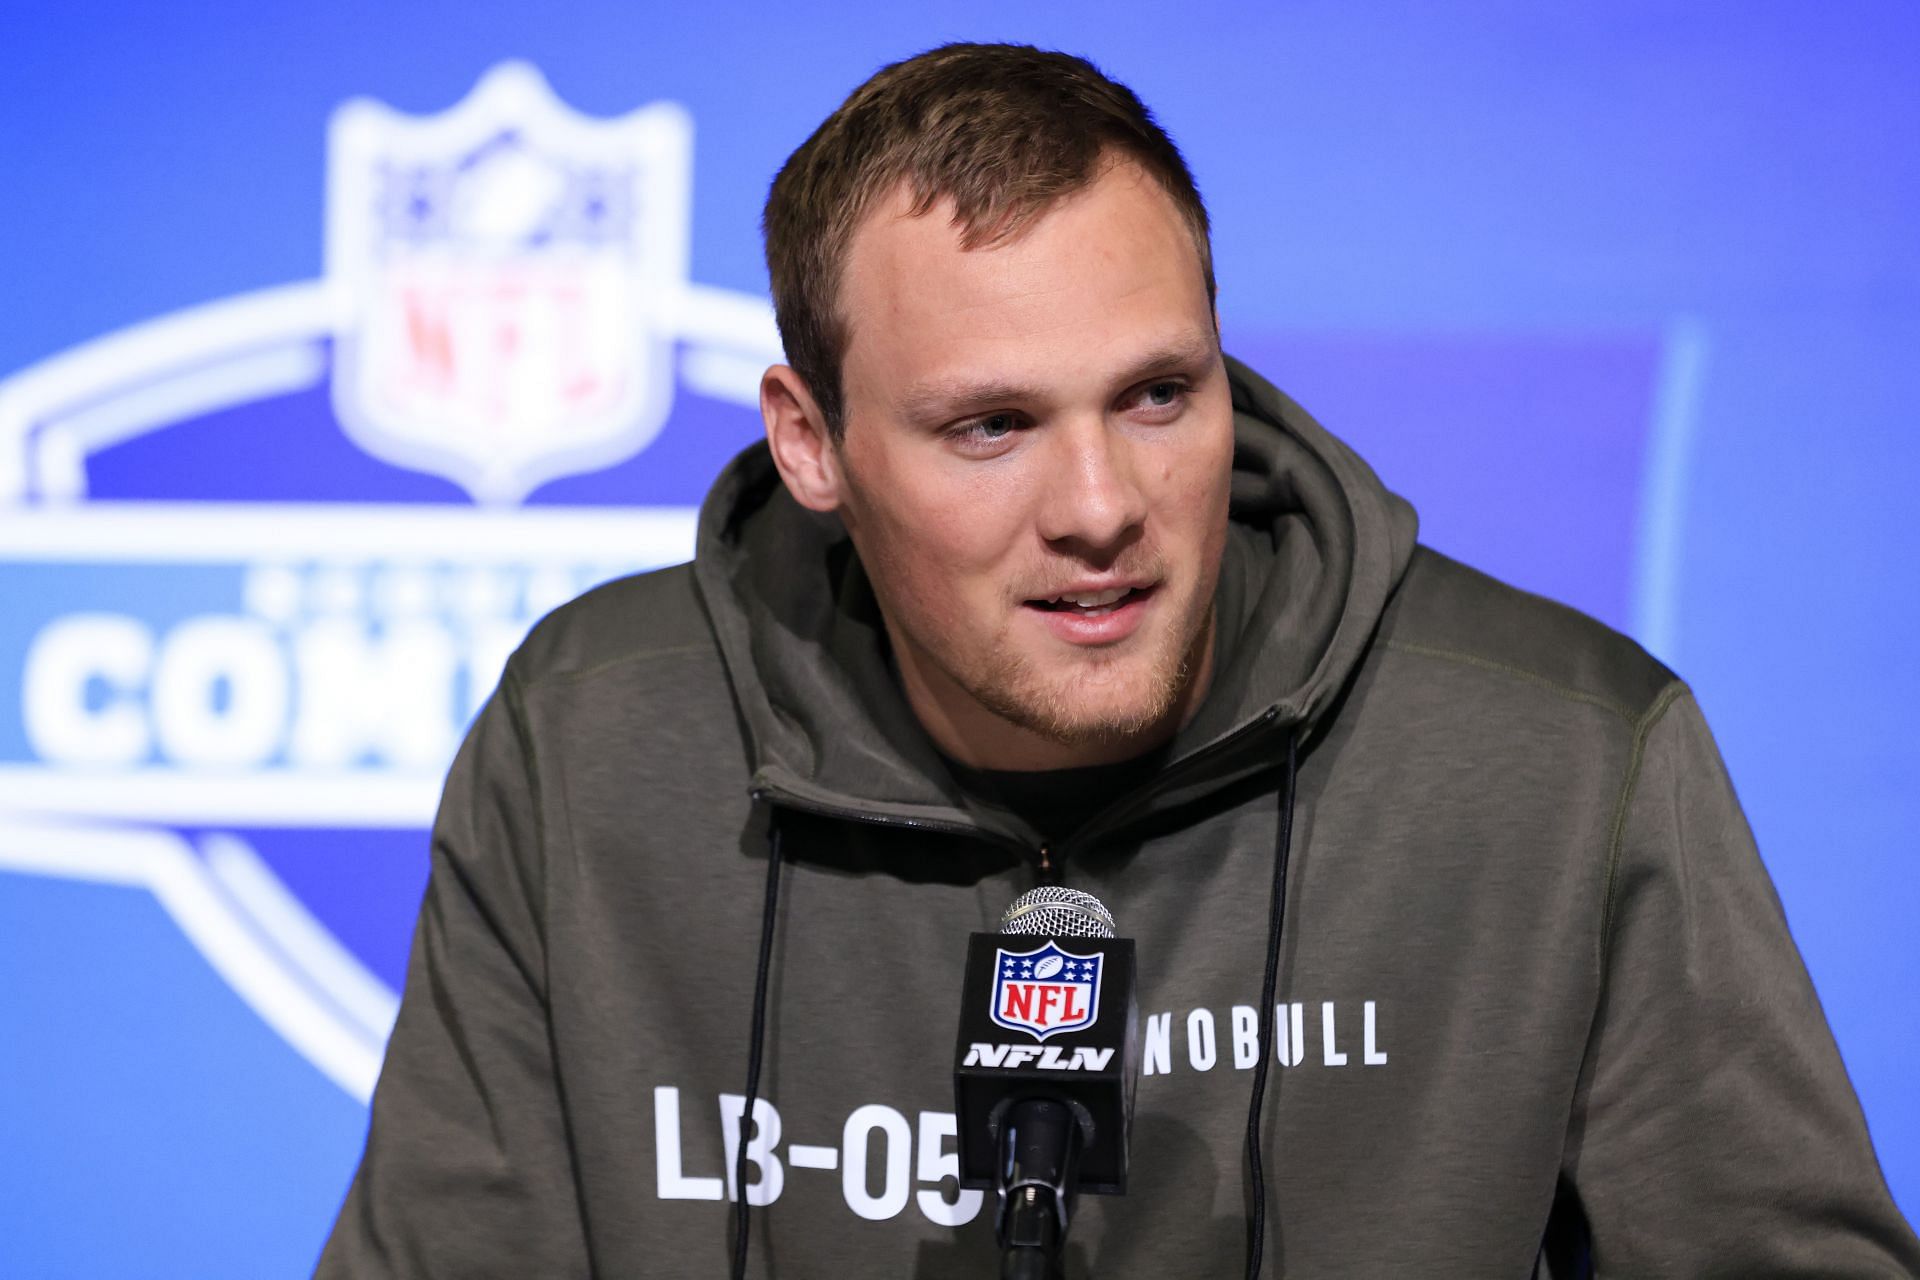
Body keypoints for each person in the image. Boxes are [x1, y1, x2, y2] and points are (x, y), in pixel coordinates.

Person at [318, 43, 1920, 1278]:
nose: (1104, 510)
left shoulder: (1561, 756)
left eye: (1159, 396)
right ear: (811, 444)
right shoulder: (592, 742)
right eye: (992, 426)